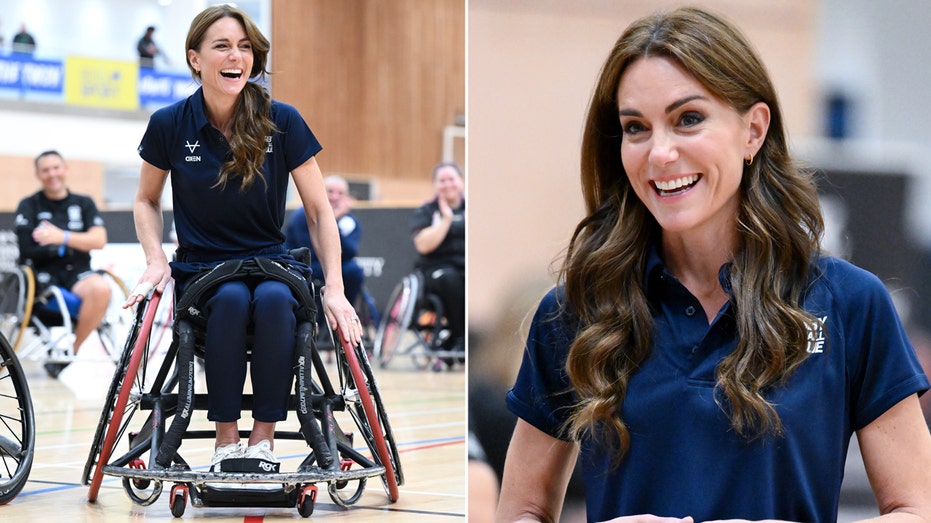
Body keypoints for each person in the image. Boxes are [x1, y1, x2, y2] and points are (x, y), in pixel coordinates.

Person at [496, 7, 931, 523]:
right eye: (636, 128)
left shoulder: (851, 303)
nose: (659, 153)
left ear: (754, 130)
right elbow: (520, 511)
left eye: (689, 119)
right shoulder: (574, 312)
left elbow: (916, 509)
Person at [125, 4, 363, 469]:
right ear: (195, 58)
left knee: (275, 301)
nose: (236, 56)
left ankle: (262, 441)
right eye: (222, 46)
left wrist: (334, 286)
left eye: (244, 47)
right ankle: (226, 439)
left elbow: (318, 208)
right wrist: (155, 260)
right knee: (231, 300)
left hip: (271, 261)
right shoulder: (169, 124)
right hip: (203, 267)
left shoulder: (283, 119)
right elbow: (146, 201)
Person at [13, 150, 110, 377]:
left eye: (56, 168)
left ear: (65, 169)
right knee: (50, 289)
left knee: (102, 288)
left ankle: (71, 351)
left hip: (78, 273)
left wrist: (62, 237)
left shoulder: (84, 203)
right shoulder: (29, 205)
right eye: (46, 170)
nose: (52, 174)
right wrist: (70, 243)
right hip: (44, 277)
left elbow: (99, 240)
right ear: (38, 174)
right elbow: (27, 248)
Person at [285, 174, 365, 320]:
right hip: (304, 265)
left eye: (340, 193)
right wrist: (331, 219)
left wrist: (333, 222)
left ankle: (345, 318)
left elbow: (349, 252)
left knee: (354, 271)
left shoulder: (350, 221)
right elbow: (312, 252)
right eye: (330, 191)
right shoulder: (302, 216)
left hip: (332, 267)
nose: (335, 197)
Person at [410, 161, 465, 360]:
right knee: (450, 280)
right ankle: (460, 337)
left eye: (451, 179)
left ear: (461, 182)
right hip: (436, 272)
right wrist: (446, 220)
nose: (447, 184)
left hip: (464, 270)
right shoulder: (426, 211)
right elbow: (423, 245)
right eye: (442, 180)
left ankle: (458, 338)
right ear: (435, 185)